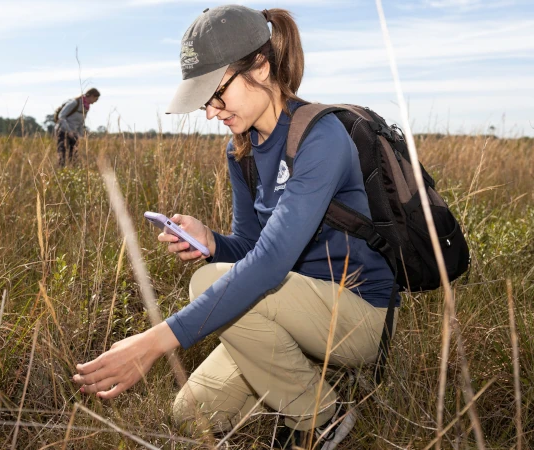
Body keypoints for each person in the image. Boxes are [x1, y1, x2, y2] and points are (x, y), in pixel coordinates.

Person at [72, 6, 397, 448]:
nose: (211, 112)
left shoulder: (321, 137)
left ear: (261, 66)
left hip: (358, 315)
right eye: (205, 100)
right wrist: (214, 244)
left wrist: (154, 343)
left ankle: (322, 419)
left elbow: (269, 263)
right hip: (288, 311)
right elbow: (249, 247)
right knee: (191, 415)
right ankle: (294, 375)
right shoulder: (240, 150)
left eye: (217, 93)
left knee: (206, 284)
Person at [55, 88, 100, 167]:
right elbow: (61, 116)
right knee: (62, 155)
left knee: (73, 157)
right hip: (63, 131)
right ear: (92, 96)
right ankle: (60, 174)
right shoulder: (74, 103)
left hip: (74, 134)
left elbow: (81, 123)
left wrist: (81, 135)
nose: (94, 102)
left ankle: (71, 173)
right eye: (95, 99)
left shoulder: (86, 107)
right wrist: (69, 131)